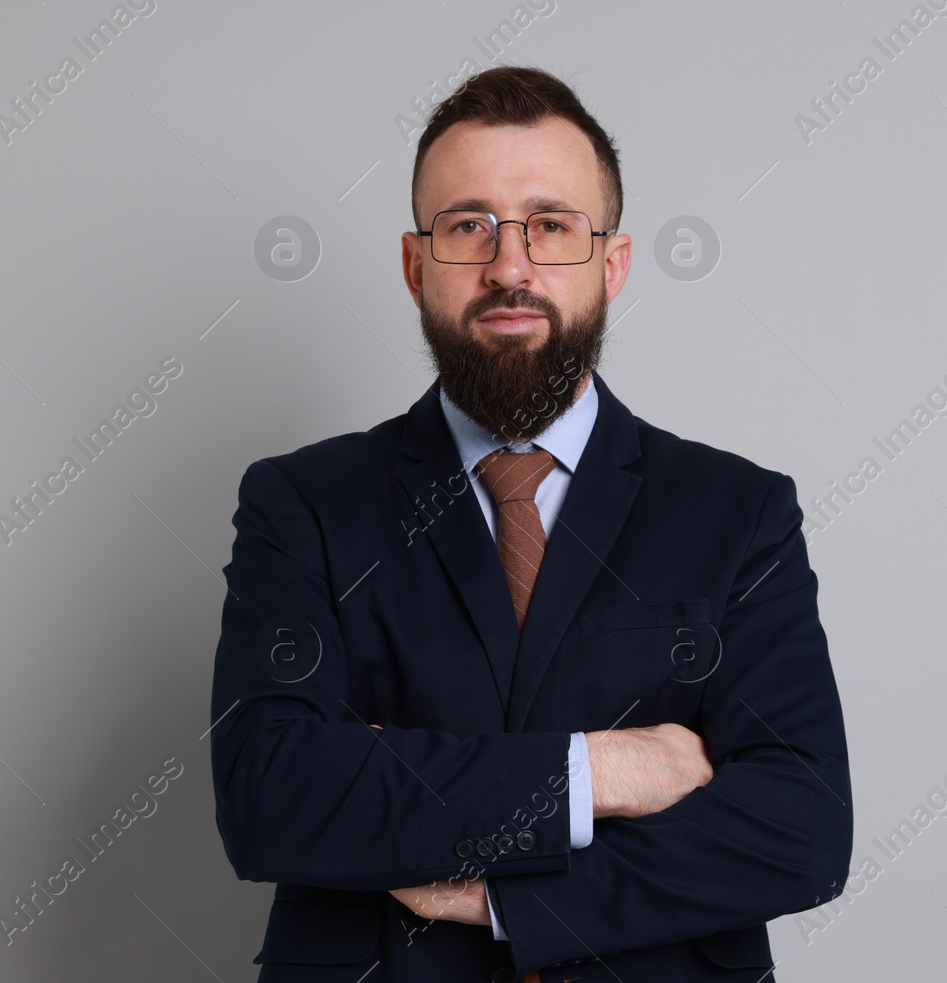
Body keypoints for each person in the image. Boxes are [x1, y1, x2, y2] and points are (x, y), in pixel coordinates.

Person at [210, 65, 851, 982]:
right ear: (415, 264)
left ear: (612, 264)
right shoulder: (303, 503)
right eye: (468, 226)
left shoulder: (739, 513)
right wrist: (600, 773)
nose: (510, 266)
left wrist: (510, 895)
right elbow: (272, 794)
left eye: (551, 226)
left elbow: (802, 826)